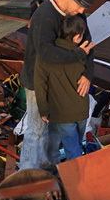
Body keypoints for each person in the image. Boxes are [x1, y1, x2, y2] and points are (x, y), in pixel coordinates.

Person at [18, 0, 95, 170]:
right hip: (39, 82)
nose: (81, 12)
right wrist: (78, 55)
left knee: (55, 130)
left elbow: (89, 46)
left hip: (62, 84)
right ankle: (28, 173)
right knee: (36, 129)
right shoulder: (45, 16)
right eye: (80, 7)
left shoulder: (77, 15)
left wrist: (87, 74)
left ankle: (50, 166)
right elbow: (45, 52)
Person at [35, 15, 90, 163]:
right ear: (77, 36)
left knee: (72, 150)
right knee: (77, 145)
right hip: (81, 109)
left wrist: (43, 110)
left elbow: (40, 84)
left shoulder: (46, 55)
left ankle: (76, 182)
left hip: (62, 113)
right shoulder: (82, 54)